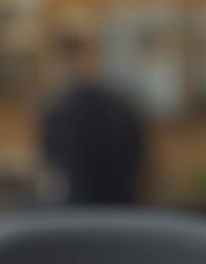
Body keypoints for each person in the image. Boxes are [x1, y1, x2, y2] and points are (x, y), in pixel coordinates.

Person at [40, 31, 145, 204]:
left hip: (73, 210)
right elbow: (141, 164)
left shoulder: (55, 110)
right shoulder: (124, 106)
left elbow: (50, 173)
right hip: (122, 209)